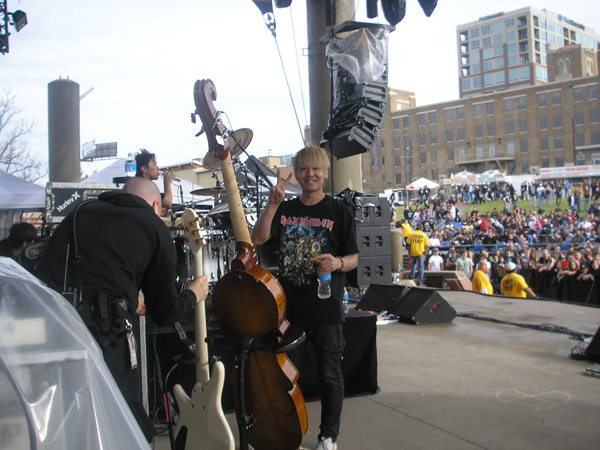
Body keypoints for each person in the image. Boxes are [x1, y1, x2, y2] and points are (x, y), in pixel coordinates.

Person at [35, 178, 208, 442]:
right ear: (155, 205)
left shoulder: (79, 212)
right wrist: (194, 293)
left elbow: (69, 273)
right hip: (105, 335)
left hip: (54, 330)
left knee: (69, 419)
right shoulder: (153, 225)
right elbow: (166, 312)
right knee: (117, 417)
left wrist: (127, 299)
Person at [251, 145, 359, 450]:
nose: (309, 174)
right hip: (289, 311)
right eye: (303, 169)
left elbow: (353, 258)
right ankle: (285, 435)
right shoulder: (285, 209)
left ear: (325, 173)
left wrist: (337, 263)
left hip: (327, 310)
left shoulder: (339, 211)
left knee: (330, 376)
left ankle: (329, 436)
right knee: (283, 379)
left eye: (315, 169)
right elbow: (258, 238)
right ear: (296, 174)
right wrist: (272, 204)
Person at [135, 148, 174, 215]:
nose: (158, 168)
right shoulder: (146, 189)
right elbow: (168, 202)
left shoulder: (136, 185)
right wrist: (167, 184)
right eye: (154, 164)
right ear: (144, 169)